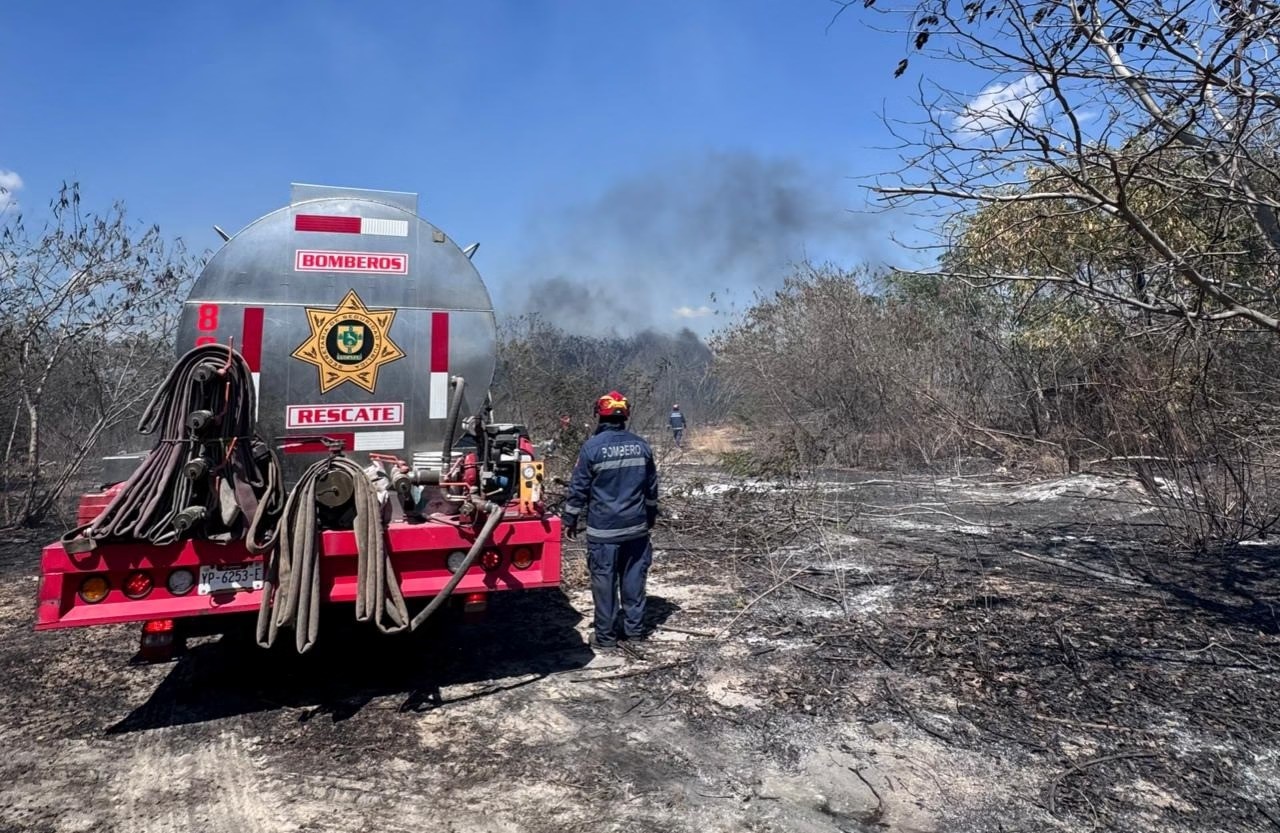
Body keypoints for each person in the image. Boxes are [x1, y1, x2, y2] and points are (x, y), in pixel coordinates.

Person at [562, 391, 659, 649]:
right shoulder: (641, 446)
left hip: (603, 532)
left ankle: (605, 638)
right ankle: (635, 632)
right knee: (634, 579)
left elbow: (579, 488)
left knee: (604, 584)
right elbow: (651, 490)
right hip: (636, 529)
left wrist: (570, 518)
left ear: (600, 415)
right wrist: (649, 518)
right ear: (625, 415)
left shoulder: (592, 448)